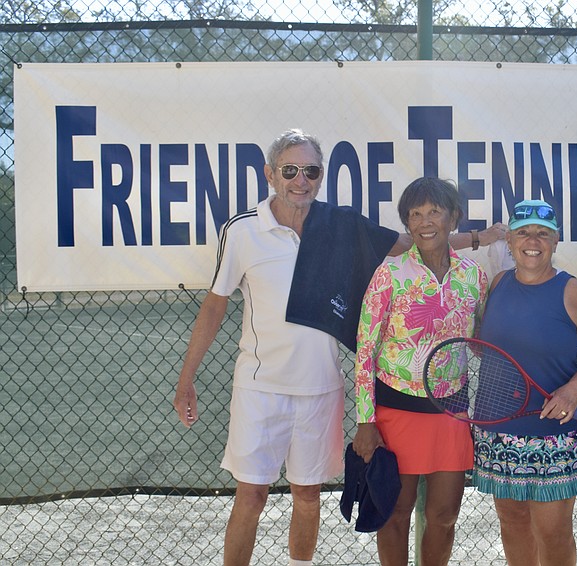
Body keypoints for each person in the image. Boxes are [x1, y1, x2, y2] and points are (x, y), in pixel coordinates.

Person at [172, 130, 505, 566]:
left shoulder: (342, 224)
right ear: (271, 175)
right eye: (290, 170)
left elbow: (417, 243)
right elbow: (215, 305)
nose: (300, 180)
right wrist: (186, 377)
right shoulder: (242, 231)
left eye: (310, 171)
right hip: (259, 388)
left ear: (321, 176)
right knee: (251, 497)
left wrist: (481, 239)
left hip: (322, 388)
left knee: (308, 497)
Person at [352, 177, 489, 566]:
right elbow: (365, 352)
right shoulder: (389, 275)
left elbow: (479, 343)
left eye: (434, 212)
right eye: (415, 214)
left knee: (444, 518)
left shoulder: (473, 277)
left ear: (454, 218)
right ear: (407, 224)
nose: (425, 222)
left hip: (451, 413)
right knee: (394, 516)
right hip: (395, 416)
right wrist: (365, 421)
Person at [470, 199, 577, 566]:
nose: (532, 240)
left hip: (555, 432)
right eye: (523, 232)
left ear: (556, 241)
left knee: (553, 532)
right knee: (512, 521)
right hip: (498, 429)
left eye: (542, 233)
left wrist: (572, 390)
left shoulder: (573, 290)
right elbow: (488, 346)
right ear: (510, 241)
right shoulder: (498, 283)